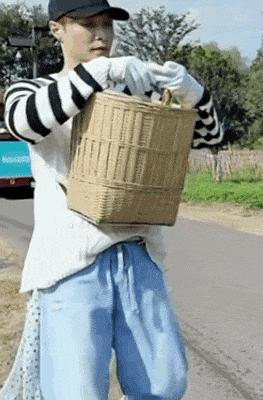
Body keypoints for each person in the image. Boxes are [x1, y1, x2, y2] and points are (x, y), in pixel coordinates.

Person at [0, 0, 224, 398]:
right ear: (57, 29)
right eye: (88, 24)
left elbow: (211, 137)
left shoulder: (134, 91)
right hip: (70, 264)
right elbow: (24, 122)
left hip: (139, 255)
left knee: (164, 383)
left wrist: (193, 92)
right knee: (76, 389)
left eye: (107, 24)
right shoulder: (35, 89)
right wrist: (100, 72)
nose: (101, 34)